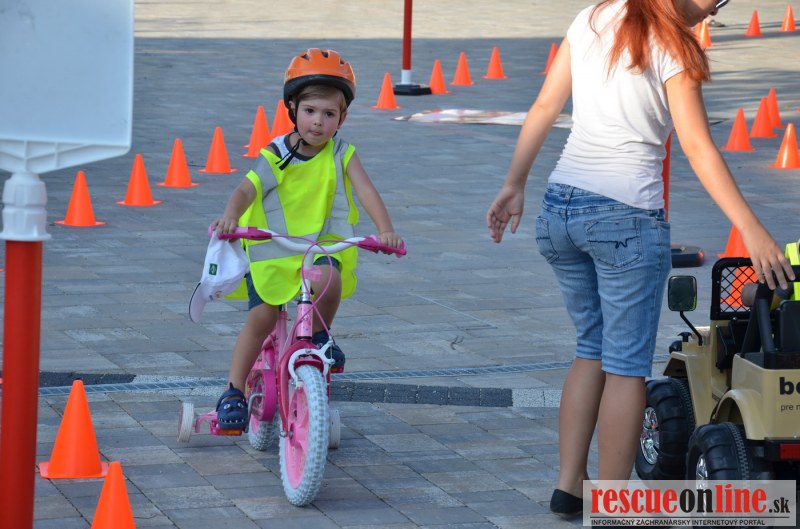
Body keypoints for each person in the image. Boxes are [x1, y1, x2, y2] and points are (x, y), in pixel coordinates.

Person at [485, 0, 794, 519]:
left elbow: (543, 107)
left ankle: (569, 486)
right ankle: (613, 506)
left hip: (560, 207)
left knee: (591, 349)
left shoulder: (591, 16)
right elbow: (698, 147)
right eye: (713, 2)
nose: (712, 12)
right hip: (625, 217)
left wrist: (514, 184)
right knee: (626, 367)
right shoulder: (675, 45)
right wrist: (752, 230)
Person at [210, 48, 403, 430]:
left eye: (329, 114)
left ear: (342, 119)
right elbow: (246, 189)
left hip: (318, 247)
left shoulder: (342, 153)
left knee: (329, 277)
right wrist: (231, 215)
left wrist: (386, 229)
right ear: (292, 109)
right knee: (262, 317)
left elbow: (366, 190)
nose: (318, 121)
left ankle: (318, 337)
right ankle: (233, 390)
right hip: (272, 250)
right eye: (310, 110)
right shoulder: (277, 154)